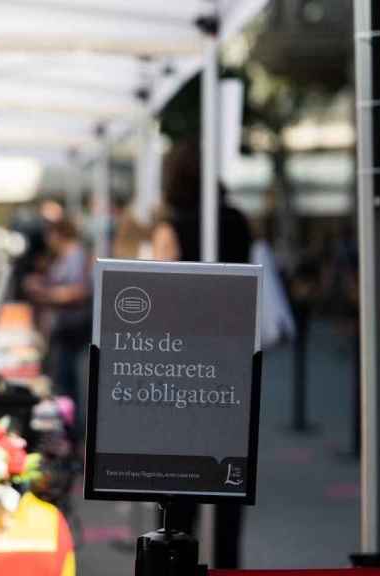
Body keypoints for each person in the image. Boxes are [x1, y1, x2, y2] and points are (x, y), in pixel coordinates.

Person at [150, 138, 251, 570]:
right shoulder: (238, 221)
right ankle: (229, 566)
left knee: (179, 486)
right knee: (230, 478)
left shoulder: (171, 226)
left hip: (184, 365)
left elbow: (161, 297)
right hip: (234, 360)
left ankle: (177, 565)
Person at [24, 218, 91, 442]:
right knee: (64, 388)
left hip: (75, 333)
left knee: (70, 391)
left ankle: (73, 442)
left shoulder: (76, 256)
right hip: (65, 333)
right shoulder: (66, 257)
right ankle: (69, 440)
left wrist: (45, 294)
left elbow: (79, 292)